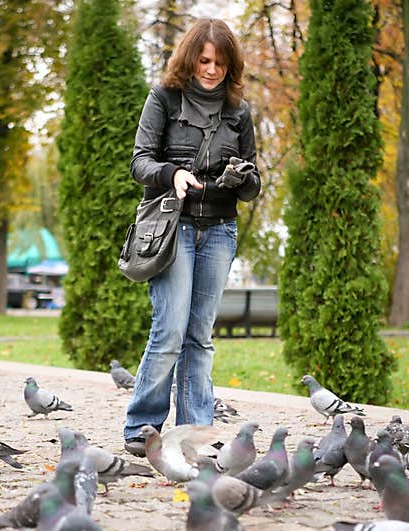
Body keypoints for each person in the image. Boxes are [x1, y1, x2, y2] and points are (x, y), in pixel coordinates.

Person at [122, 18, 262, 456]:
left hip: (220, 229)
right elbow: (139, 161)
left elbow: (254, 185)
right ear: (189, 59)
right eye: (204, 60)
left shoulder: (238, 111)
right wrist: (173, 173)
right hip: (173, 226)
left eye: (220, 62)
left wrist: (243, 177)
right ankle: (141, 427)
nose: (211, 69)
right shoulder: (163, 99)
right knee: (169, 330)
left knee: (200, 335)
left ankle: (195, 432)